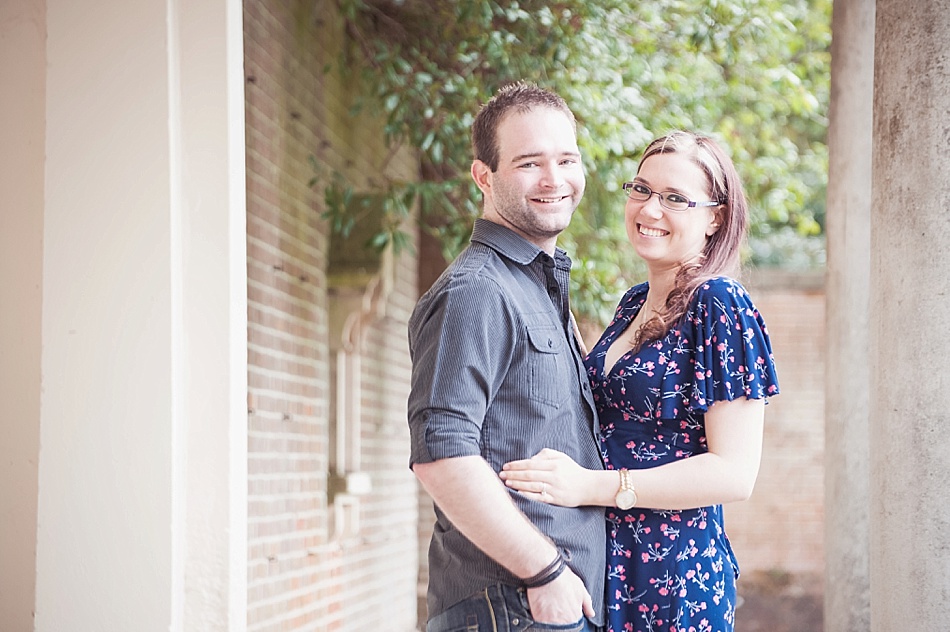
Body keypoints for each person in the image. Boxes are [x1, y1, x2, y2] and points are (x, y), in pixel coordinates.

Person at [500, 131, 780, 632]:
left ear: (715, 216)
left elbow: (734, 474)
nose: (650, 209)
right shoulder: (634, 303)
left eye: (675, 198)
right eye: (642, 190)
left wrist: (590, 486)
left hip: (673, 577)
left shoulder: (719, 303)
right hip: (605, 564)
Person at [407, 82, 606, 632]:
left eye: (566, 159)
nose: (554, 179)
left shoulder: (534, 288)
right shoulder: (477, 290)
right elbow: (442, 455)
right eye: (529, 163)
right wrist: (545, 573)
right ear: (483, 176)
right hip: (513, 609)